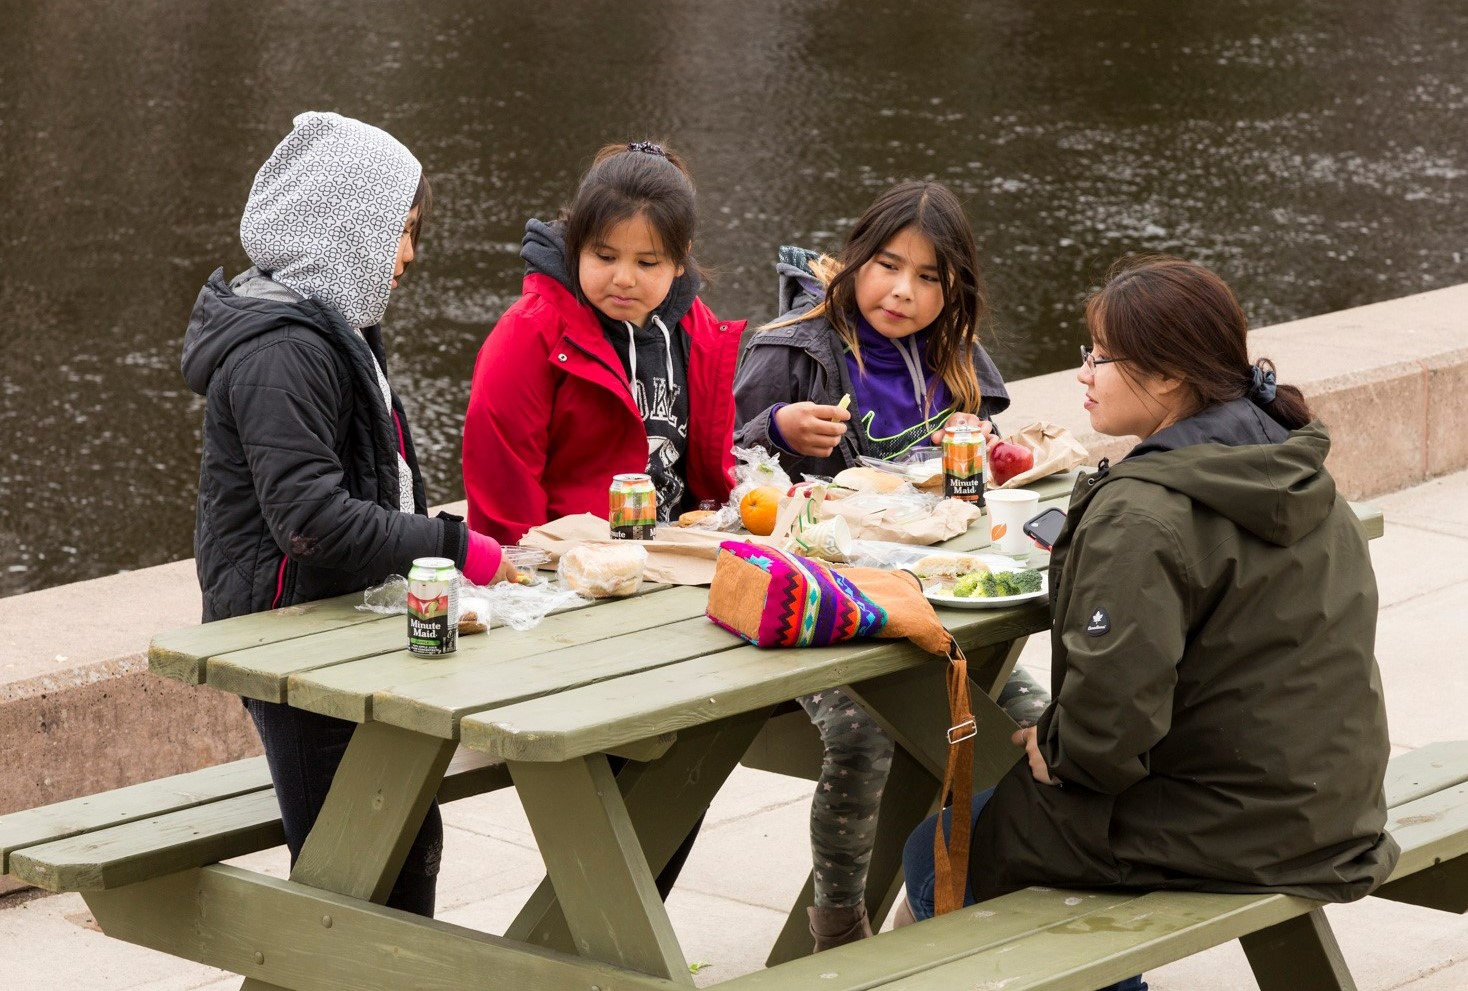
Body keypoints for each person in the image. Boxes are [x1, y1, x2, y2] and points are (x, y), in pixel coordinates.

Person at [900, 256, 1400, 991]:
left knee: (941, 843)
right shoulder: (1292, 463)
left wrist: (1056, 745)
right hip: (1332, 804)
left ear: (1168, 377)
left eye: (1100, 357)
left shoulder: (1145, 511)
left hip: (1236, 826)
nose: (1083, 374)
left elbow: (1105, 740)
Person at [182, 111, 515, 918]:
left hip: (337, 626)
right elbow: (311, 519)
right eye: (399, 232)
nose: (408, 256)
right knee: (351, 875)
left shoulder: (335, 329)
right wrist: (449, 544)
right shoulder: (281, 350)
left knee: (403, 844)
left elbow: (372, 480)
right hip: (291, 644)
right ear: (346, 224)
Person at [733, 180, 1048, 952]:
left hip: (932, 604)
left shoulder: (957, 355)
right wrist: (772, 428)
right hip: (820, 612)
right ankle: (836, 926)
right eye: (886, 264)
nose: (903, 291)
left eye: (930, 276)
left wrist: (982, 447)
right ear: (853, 260)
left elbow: (983, 480)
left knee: (1034, 725)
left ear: (955, 289)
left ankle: (939, 898)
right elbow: (722, 473)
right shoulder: (791, 351)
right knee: (865, 735)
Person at [462, 140, 744, 544]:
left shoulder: (699, 329)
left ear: (681, 258)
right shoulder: (529, 333)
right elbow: (503, 489)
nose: (624, 278)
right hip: (568, 568)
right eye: (605, 257)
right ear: (576, 242)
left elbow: (710, 470)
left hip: (675, 557)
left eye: (647, 262)